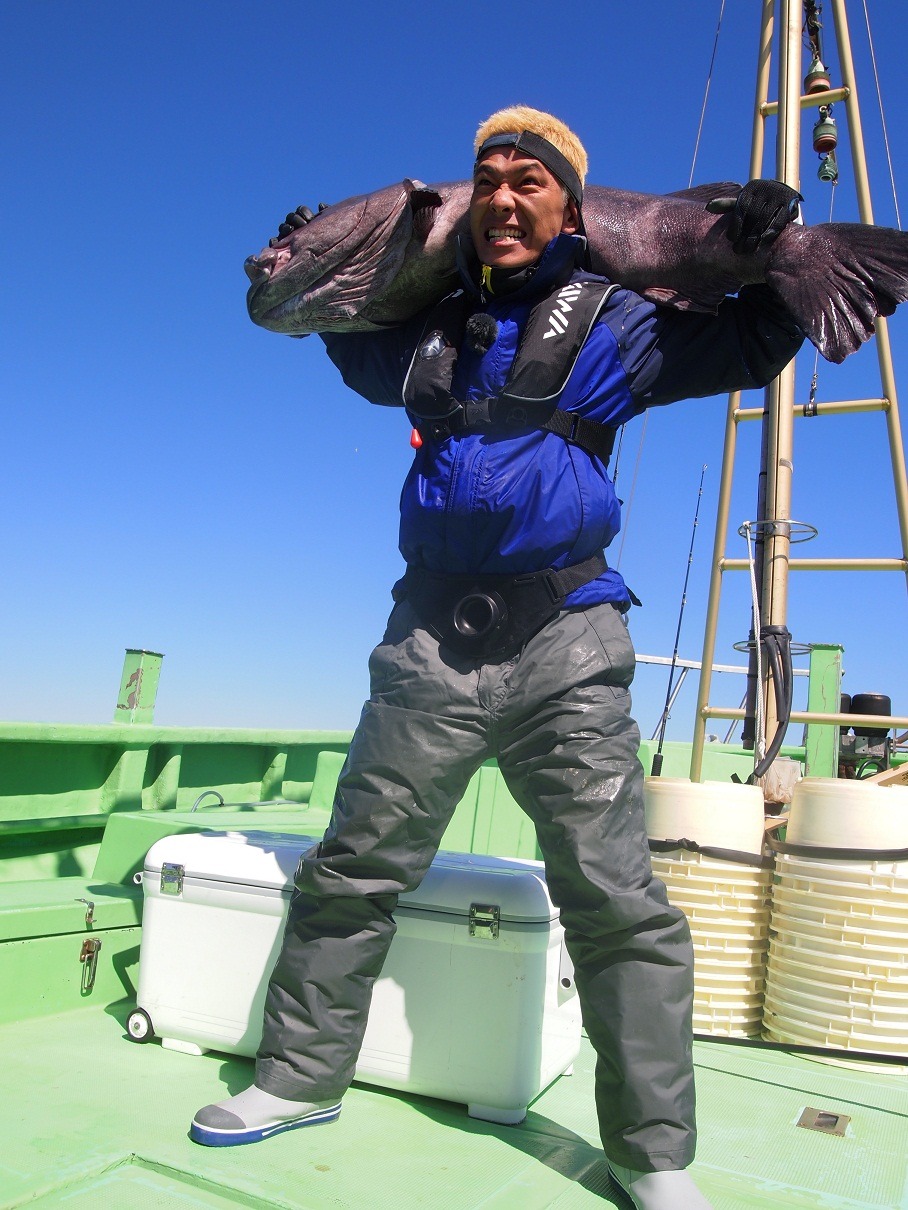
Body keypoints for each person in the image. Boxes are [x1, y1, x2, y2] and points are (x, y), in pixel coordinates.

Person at [191, 107, 803, 1210]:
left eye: (530, 181)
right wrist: (331, 260)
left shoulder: (622, 323)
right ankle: (295, 1077)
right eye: (488, 181)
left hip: (566, 641)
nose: (505, 197)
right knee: (355, 866)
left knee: (616, 898)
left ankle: (650, 1154)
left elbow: (756, 340)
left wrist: (769, 247)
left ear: (571, 208)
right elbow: (334, 336)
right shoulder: (428, 334)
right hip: (427, 638)